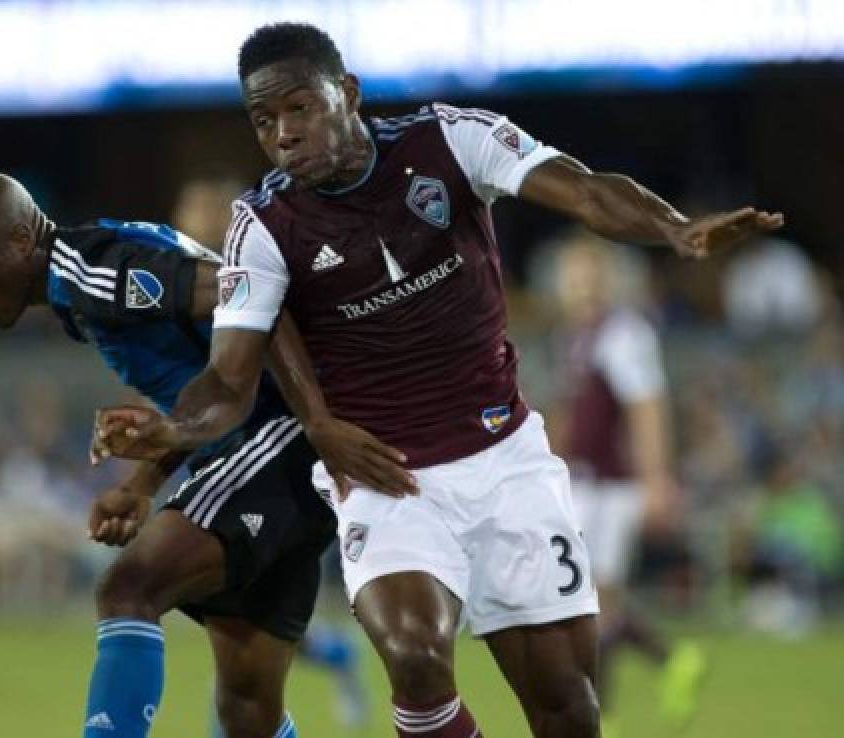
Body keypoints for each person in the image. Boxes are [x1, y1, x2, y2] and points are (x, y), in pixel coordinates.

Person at [91, 22, 783, 738]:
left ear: (348, 93)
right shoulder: (263, 225)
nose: (283, 133)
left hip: (506, 463)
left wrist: (674, 229)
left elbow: (584, 192)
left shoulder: (450, 141)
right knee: (415, 656)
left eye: (299, 108)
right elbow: (227, 380)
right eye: (264, 120)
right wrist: (171, 428)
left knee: (566, 705)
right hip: (389, 482)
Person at [0, 170, 410, 738]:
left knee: (129, 587)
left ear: (18, 242)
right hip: (272, 445)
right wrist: (142, 483)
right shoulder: (83, 289)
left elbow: (251, 288)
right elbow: (205, 375)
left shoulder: (98, 270)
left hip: (281, 434)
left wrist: (318, 421)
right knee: (247, 710)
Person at [171, 173, 372, 735]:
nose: (196, 219)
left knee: (234, 623)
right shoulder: (185, 293)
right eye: (189, 207)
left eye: (208, 206)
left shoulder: (268, 281)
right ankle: (335, 657)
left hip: (280, 467)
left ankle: (331, 660)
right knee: (242, 627)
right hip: (223, 465)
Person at [550, 236, 706, 734]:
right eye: (572, 276)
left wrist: (657, 479)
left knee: (589, 603)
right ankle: (673, 659)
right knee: (596, 602)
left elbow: (646, 405)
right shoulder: (581, 335)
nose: (577, 285)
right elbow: (576, 413)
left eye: (585, 275)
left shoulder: (623, 333)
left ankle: (606, 715)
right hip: (584, 481)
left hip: (613, 486)